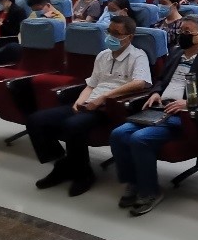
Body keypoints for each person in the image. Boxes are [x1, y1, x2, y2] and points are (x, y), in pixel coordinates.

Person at [110, 14, 198, 216]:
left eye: (187, 32)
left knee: (140, 138)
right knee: (118, 134)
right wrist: (156, 92)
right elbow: (161, 80)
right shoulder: (175, 53)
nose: (182, 35)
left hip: (183, 114)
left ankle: (150, 192)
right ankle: (134, 182)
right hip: (159, 108)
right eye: (181, 31)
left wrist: (189, 102)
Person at [28, 15, 152, 196]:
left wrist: (103, 98)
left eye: (117, 33)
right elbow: (91, 84)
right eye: (109, 31)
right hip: (89, 101)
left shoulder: (137, 56)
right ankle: (63, 164)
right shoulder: (103, 55)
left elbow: (140, 83)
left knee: (72, 125)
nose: (111, 36)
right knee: (36, 120)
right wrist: (80, 100)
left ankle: (83, 175)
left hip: (109, 107)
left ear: (129, 37)